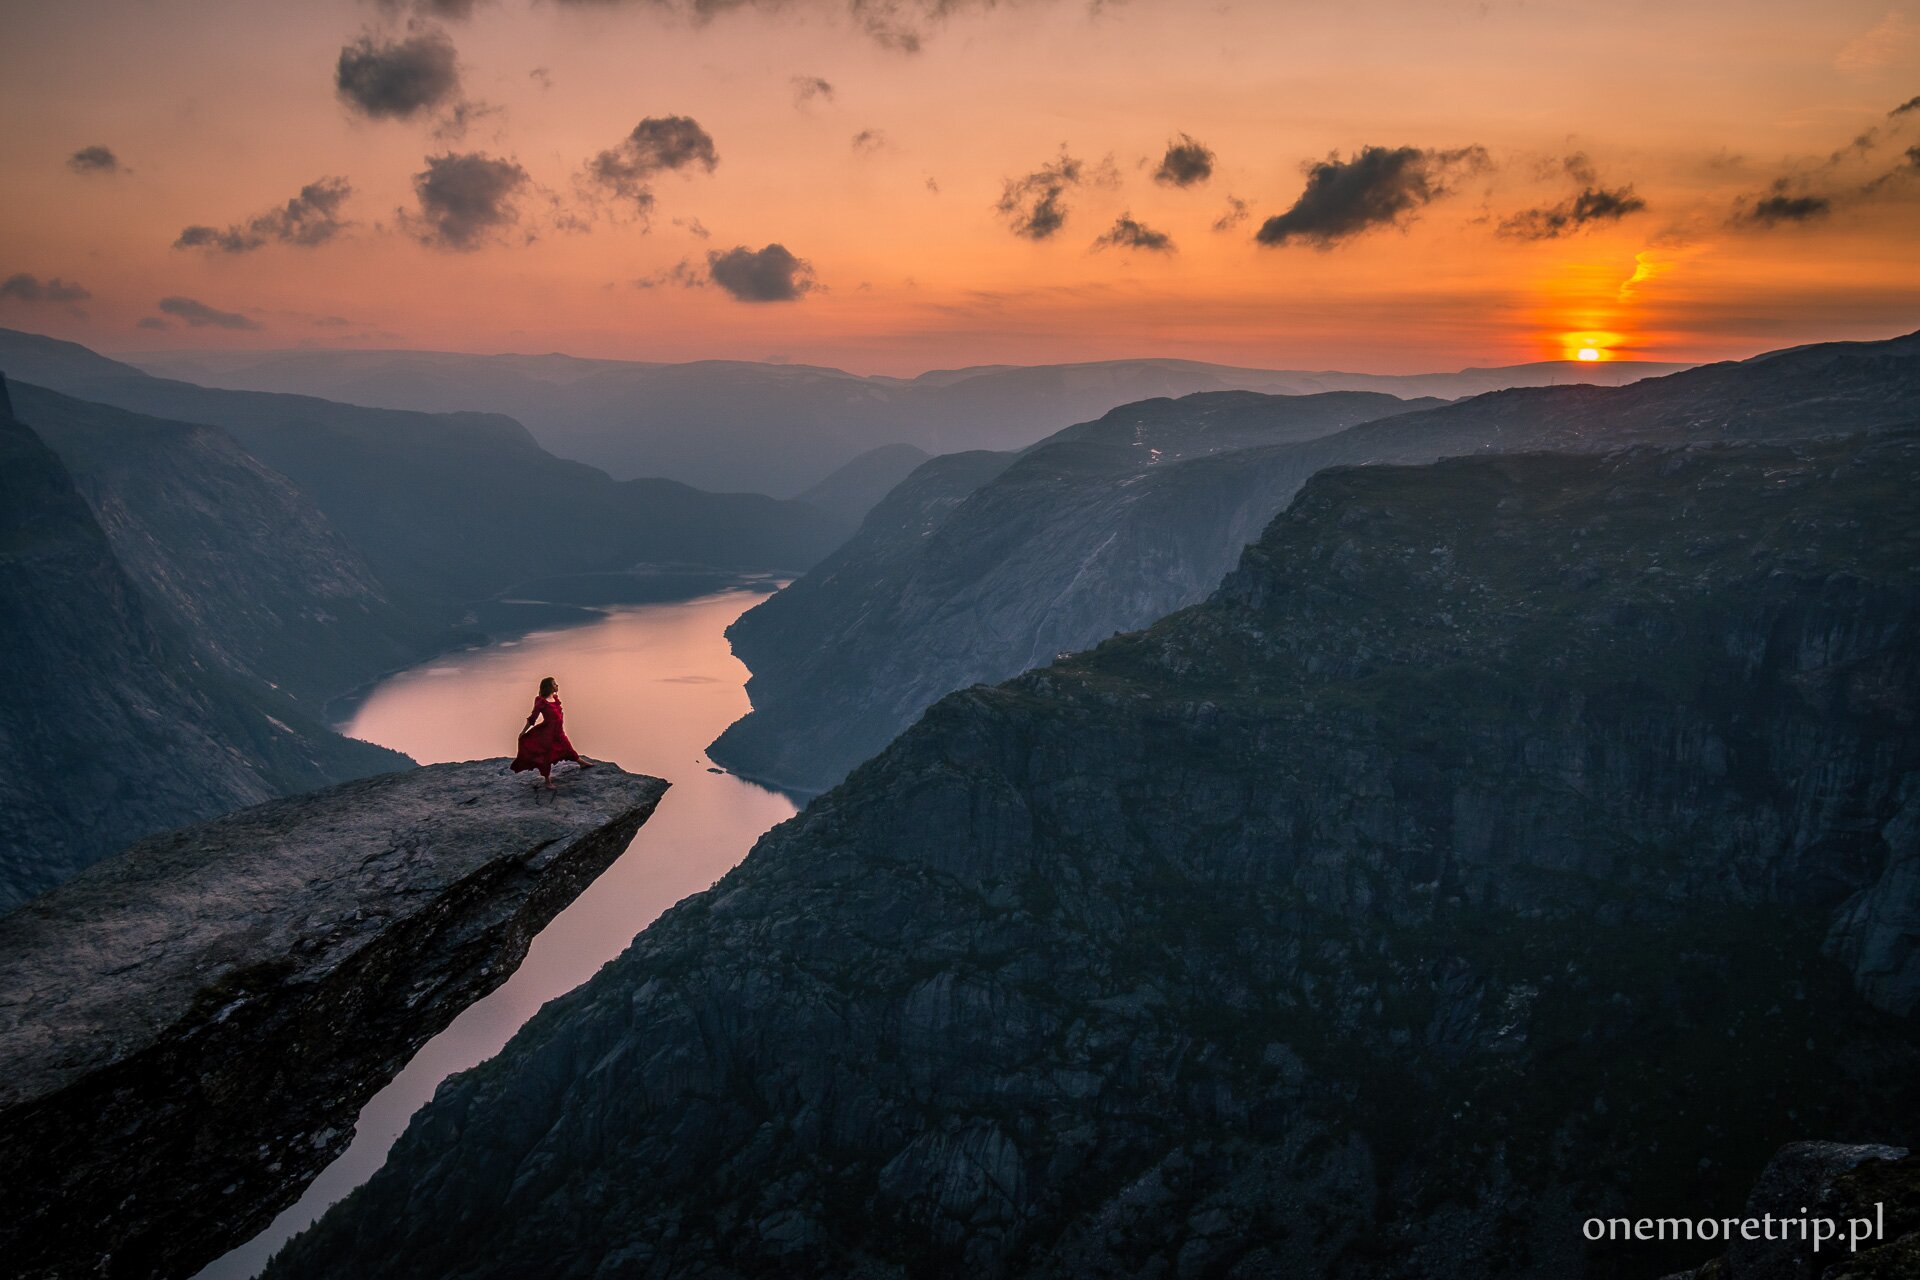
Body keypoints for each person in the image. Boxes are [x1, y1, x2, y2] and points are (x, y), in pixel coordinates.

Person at [511, 676, 594, 790]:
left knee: (567, 748)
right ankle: (547, 781)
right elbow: (532, 718)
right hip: (547, 733)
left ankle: (581, 763)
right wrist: (523, 732)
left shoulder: (555, 698)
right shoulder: (541, 701)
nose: (557, 686)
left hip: (558, 732)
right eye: (554, 684)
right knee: (547, 756)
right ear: (549, 687)